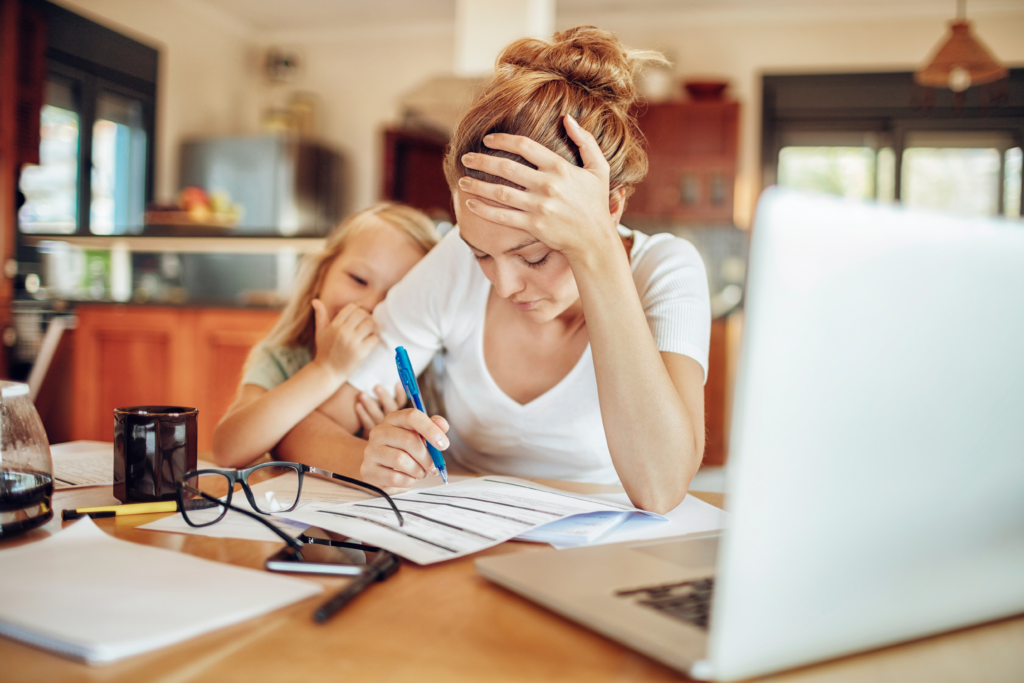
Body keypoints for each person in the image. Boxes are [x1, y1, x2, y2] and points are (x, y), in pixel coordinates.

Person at [279, 26, 710, 514]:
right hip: (464, 538)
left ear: (609, 208)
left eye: (534, 256)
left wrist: (599, 254)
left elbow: (661, 488)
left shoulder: (664, 270)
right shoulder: (452, 266)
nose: (503, 285)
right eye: (481, 254)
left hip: (602, 551)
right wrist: (369, 458)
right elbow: (305, 427)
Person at [211, 203, 440, 468]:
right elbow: (227, 450)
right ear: (322, 275)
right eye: (358, 279)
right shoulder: (283, 357)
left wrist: (379, 439)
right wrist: (327, 369)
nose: (371, 304)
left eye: (393, 297)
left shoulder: (422, 371)